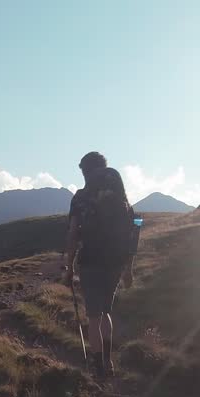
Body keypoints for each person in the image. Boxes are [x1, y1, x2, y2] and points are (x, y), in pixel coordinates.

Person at [62, 151, 136, 379]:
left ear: (85, 170)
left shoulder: (81, 198)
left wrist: (69, 266)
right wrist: (128, 269)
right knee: (106, 312)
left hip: (90, 261)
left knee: (93, 316)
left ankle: (98, 367)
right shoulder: (120, 198)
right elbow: (132, 230)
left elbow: (73, 233)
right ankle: (107, 361)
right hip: (115, 262)